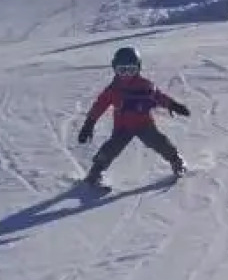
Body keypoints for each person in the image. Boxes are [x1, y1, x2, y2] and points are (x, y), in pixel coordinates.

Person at [76, 46, 189, 187]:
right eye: (122, 70)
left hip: (144, 124)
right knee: (111, 148)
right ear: (115, 69)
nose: (126, 75)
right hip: (122, 127)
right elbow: (99, 105)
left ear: (138, 68)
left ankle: (176, 160)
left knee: (159, 142)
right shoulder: (113, 89)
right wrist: (89, 123)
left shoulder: (145, 86)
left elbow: (159, 97)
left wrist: (173, 105)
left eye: (131, 70)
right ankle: (95, 172)